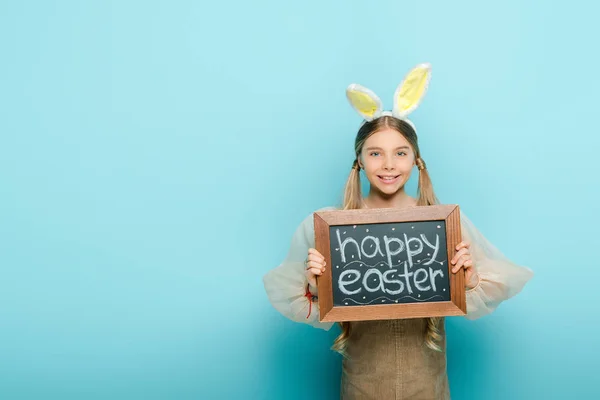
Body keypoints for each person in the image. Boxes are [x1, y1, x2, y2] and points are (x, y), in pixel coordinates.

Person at [262, 63, 534, 399]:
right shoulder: (329, 227)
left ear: (416, 160)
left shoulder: (442, 225)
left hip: (427, 384)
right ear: (359, 160)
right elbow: (301, 300)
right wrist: (318, 289)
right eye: (376, 153)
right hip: (363, 383)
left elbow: (486, 290)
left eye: (400, 153)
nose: (389, 165)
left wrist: (469, 279)